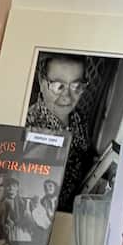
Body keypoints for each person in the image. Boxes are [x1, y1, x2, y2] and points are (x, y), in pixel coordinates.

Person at [25, 53, 90, 209]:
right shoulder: (27, 127)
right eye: (58, 86)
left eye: (76, 87)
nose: (67, 97)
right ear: (42, 83)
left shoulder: (79, 118)